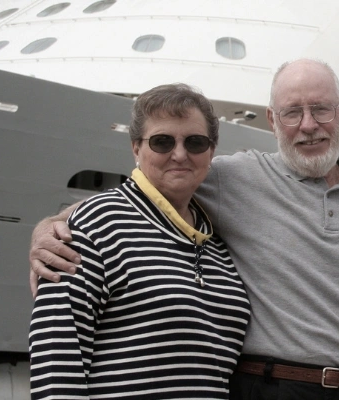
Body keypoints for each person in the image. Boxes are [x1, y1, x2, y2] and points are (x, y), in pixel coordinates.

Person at [29, 59, 339, 400]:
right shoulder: (236, 177)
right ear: (272, 120)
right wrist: (50, 225)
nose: (308, 126)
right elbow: (153, 189)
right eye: (292, 112)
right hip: (262, 388)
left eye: (321, 109)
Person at [28, 84, 251, 399]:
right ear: (136, 148)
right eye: (162, 142)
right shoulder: (96, 224)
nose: (179, 154)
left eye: (195, 142)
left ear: (211, 151)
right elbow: (57, 353)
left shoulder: (216, 244)